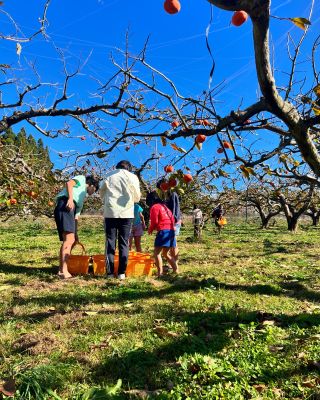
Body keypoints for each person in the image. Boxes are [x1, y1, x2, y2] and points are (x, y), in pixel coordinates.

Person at [100, 160, 141, 280]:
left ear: (116, 167)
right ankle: (122, 273)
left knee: (110, 242)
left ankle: (110, 273)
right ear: (129, 168)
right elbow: (137, 197)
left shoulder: (109, 175)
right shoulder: (133, 177)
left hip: (110, 212)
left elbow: (102, 192)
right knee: (124, 242)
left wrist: (107, 200)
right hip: (127, 213)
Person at [54, 175, 99, 279]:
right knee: (68, 240)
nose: (93, 193)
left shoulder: (81, 198)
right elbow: (69, 183)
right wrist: (70, 198)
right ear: (92, 185)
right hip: (66, 204)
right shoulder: (82, 179)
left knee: (71, 240)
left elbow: (76, 217)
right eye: (94, 190)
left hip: (70, 209)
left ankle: (63, 268)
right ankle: (62, 271)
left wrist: (76, 233)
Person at [147, 192, 178, 277]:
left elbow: (154, 221)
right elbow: (172, 219)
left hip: (163, 231)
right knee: (165, 253)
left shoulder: (154, 207)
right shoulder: (166, 207)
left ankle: (160, 273)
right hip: (171, 231)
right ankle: (176, 270)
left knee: (157, 253)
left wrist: (150, 229)